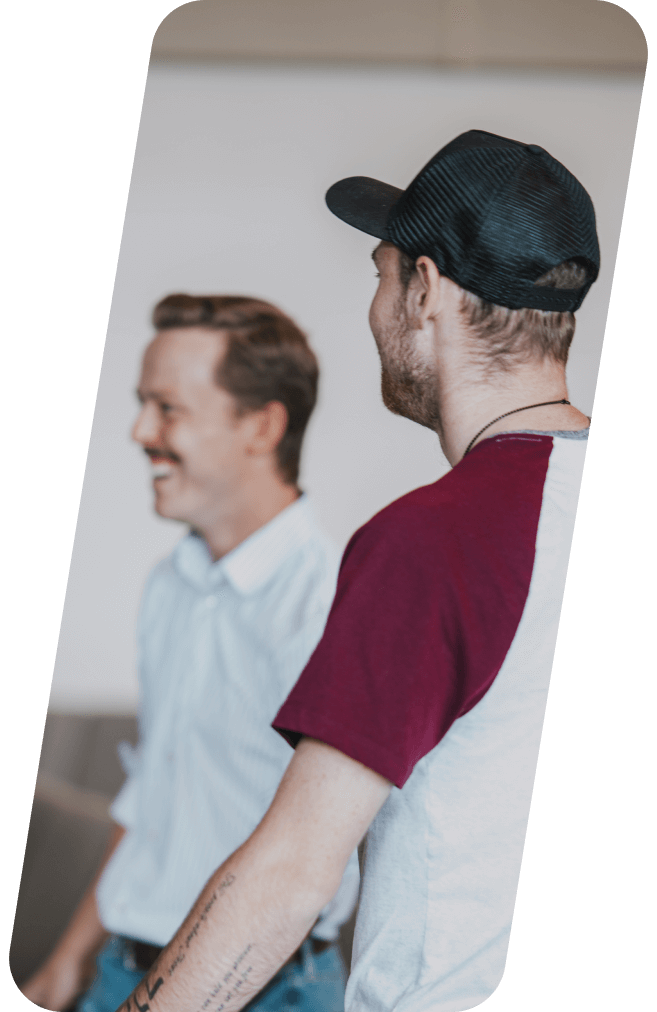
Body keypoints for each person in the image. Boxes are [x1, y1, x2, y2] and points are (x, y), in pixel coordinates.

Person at [109, 128, 597, 1012]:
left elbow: (292, 869)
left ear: (425, 291)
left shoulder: (439, 538)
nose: (372, 308)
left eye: (378, 274)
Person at [20, 295, 359, 1012]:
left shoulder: (331, 606)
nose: (140, 430)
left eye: (167, 408)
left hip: (263, 988)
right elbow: (152, 800)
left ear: (261, 425)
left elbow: (311, 860)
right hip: (123, 960)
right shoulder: (169, 585)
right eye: (142, 404)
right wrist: (67, 963)